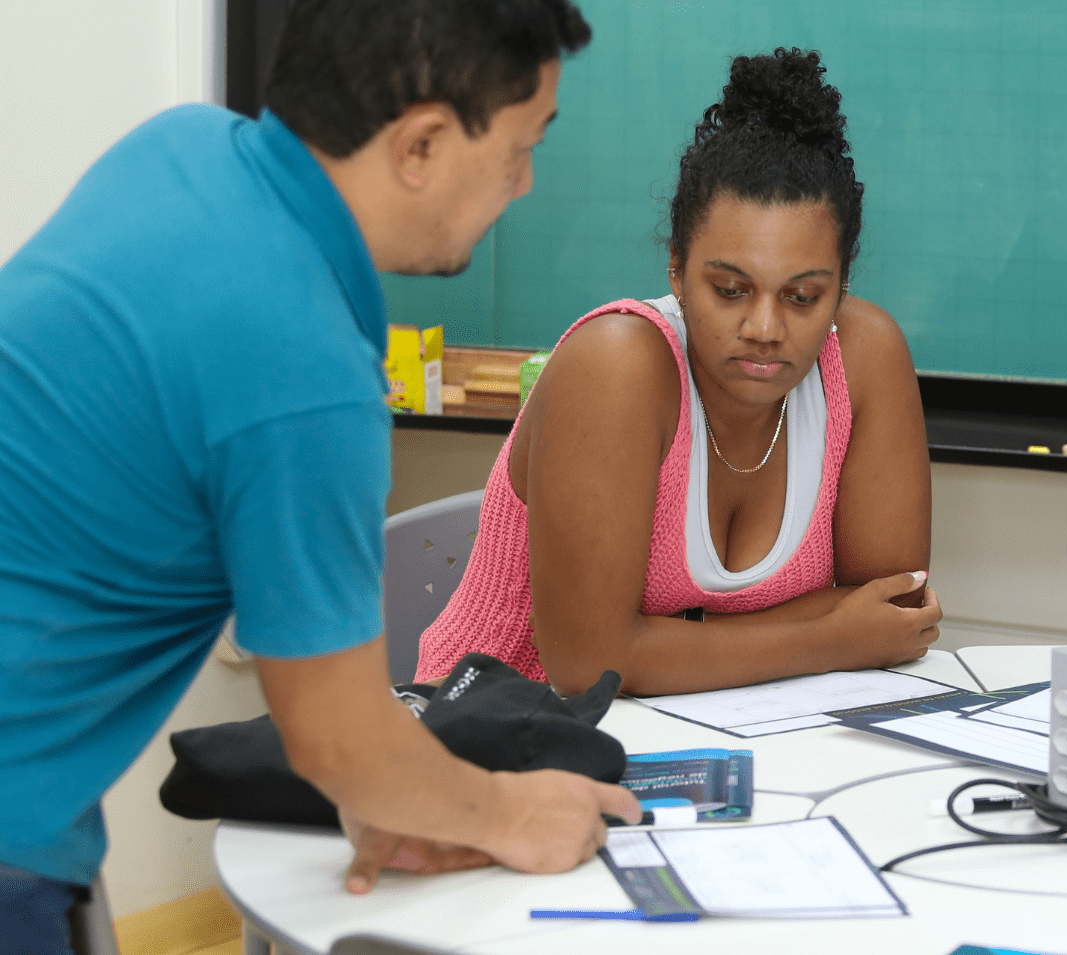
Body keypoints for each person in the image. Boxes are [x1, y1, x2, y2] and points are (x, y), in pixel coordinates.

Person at [0, 2, 642, 950]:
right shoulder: (302, 363)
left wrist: (400, 786)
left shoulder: (183, 148)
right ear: (421, 143)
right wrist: (511, 814)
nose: (525, 181)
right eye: (518, 147)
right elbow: (336, 738)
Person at [413, 48, 938, 697]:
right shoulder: (617, 366)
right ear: (676, 268)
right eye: (730, 289)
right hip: (503, 732)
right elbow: (588, 665)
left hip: (733, 725)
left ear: (841, 288)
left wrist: (660, 638)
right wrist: (829, 634)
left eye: (803, 296)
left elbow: (894, 611)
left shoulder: (865, 355)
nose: (766, 328)